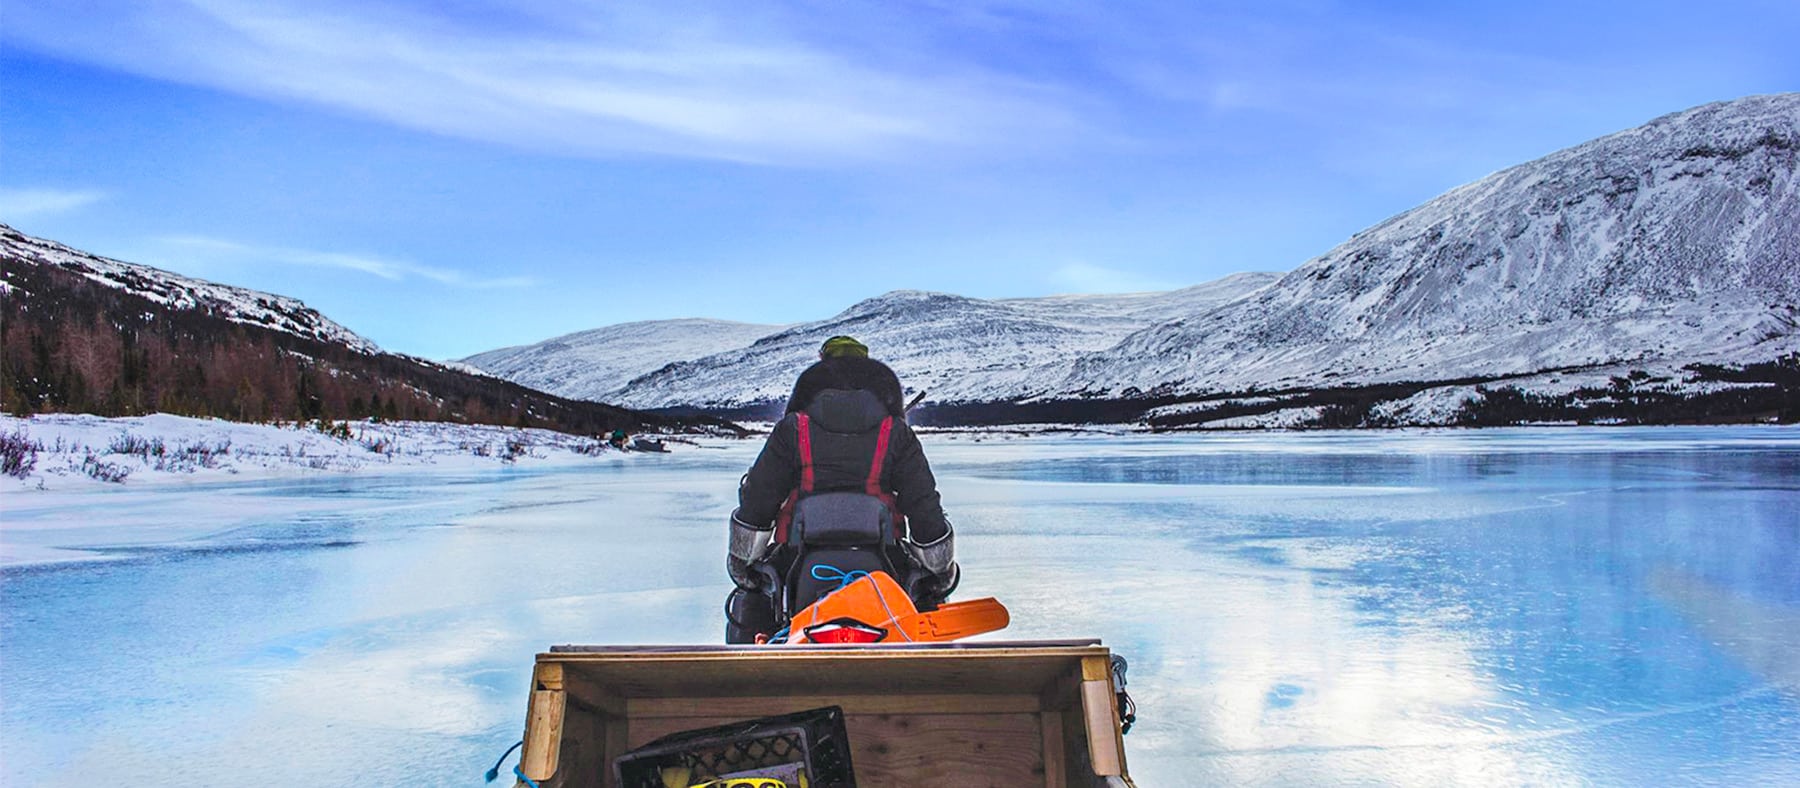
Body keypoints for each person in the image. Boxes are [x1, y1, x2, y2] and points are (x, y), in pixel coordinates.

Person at [725, 335, 957, 642]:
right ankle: (935, 665)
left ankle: (750, 664)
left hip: (796, 557)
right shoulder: (897, 432)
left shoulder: (792, 428)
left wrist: (742, 565)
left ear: (822, 366)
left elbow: (760, 497)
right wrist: (940, 571)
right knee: (926, 596)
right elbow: (922, 504)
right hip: (887, 559)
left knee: (754, 596)